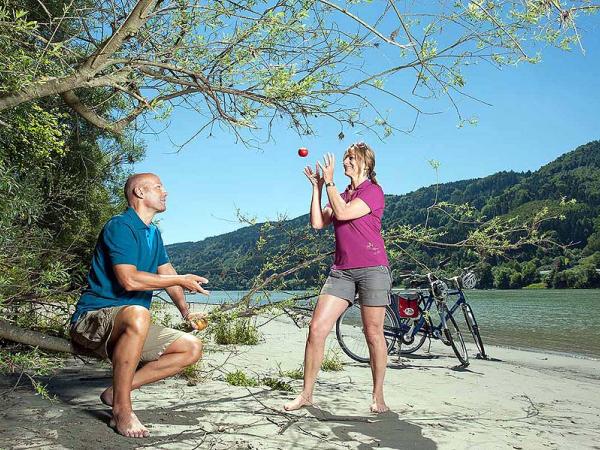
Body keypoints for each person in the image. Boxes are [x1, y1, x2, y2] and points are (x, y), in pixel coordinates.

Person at [70, 173, 209, 438]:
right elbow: (129, 280)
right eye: (159, 187)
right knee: (139, 313)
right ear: (140, 192)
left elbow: (166, 273)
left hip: (131, 324)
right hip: (93, 320)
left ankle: (115, 393)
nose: (165, 192)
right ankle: (122, 410)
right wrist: (180, 279)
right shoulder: (120, 226)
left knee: (191, 347)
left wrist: (186, 312)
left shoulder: (153, 233)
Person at [284, 142, 392, 414]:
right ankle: (306, 395)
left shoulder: (373, 192)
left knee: (373, 334)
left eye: (350, 158)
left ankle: (378, 396)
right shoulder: (341, 193)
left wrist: (330, 182)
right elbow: (318, 222)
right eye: (345, 158)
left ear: (366, 163)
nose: (345, 162)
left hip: (372, 269)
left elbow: (343, 213)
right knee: (317, 328)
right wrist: (318, 187)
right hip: (342, 271)